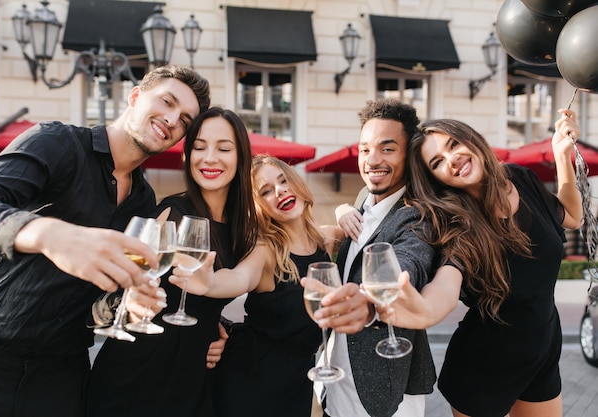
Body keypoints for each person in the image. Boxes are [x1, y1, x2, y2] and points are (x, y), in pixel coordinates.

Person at [0, 64, 210, 417]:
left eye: (185, 120)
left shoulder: (143, 202)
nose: (173, 119)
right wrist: (49, 234)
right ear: (134, 96)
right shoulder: (58, 142)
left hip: (62, 377)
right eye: (167, 101)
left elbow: (100, 301)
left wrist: (126, 306)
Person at [374, 110, 582, 417]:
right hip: (485, 364)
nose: (452, 159)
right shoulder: (458, 224)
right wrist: (425, 311)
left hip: (543, 348)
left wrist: (561, 155)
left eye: (454, 144)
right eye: (437, 163)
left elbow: (573, 217)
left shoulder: (519, 178)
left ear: (471, 140)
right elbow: (447, 280)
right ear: (436, 179)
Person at [86, 106, 258, 417]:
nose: (209, 158)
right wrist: (129, 302)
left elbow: (209, 301)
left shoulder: (241, 228)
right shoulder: (170, 214)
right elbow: (112, 294)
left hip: (192, 381)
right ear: (187, 155)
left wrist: (220, 329)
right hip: (136, 377)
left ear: (241, 157)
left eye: (223, 148)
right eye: (200, 147)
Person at [311, 97, 438, 417]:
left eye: (387, 148)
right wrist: (342, 211)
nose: (372, 159)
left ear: (410, 154)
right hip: (337, 380)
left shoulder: (419, 216)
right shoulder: (363, 198)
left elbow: (410, 260)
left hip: (385, 393)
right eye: (365, 149)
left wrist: (368, 299)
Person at [206, 155, 342, 417]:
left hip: (298, 381)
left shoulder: (324, 240)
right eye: (266, 191)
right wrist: (207, 281)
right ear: (258, 207)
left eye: (283, 181)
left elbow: (359, 223)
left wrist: (345, 211)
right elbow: (239, 278)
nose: (280, 191)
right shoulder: (265, 250)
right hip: (251, 380)